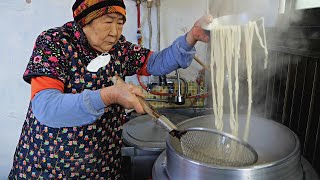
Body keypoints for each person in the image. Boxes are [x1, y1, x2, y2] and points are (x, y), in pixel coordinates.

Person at [9, 0, 211, 179]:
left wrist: (191, 37)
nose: (115, 32)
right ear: (85, 20)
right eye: (108, 21)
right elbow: (46, 107)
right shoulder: (55, 43)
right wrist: (109, 95)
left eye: (120, 23)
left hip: (104, 166)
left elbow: (157, 62)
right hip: (52, 169)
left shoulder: (118, 48)